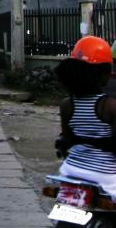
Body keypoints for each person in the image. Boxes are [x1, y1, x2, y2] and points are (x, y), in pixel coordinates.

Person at [55, 35, 116, 199]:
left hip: (71, 171)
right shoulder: (110, 106)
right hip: (105, 177)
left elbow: (67, 138)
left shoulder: (67, 105)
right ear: (103, 75)